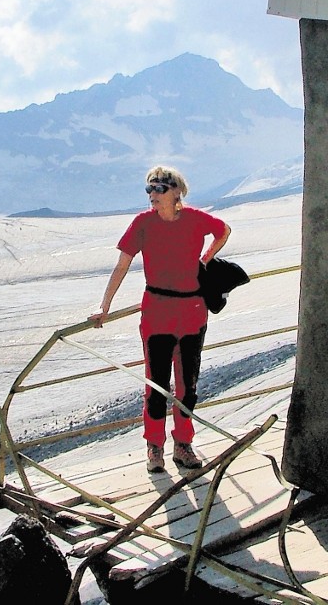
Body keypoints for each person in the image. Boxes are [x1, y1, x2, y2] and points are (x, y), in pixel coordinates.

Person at [89, 166, 231, 473]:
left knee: (187, 385)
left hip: (192, 311)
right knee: (156, 385)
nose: (152, 195)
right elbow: (122, 265)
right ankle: (154, 447)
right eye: (149, 189)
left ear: (177, 192)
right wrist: (105, 306)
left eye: (159, 189)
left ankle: (183, 444)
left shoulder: (195, 218)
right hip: (157, 312)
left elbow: (223, 230)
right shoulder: (143, 223)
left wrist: (206, 259)